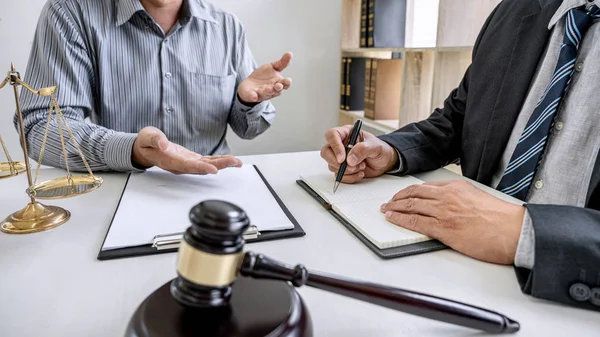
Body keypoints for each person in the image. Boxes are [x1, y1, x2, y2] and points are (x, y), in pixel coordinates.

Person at [321, 0, 600, 312]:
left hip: (571, 300)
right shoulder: (514, 11)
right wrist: (390, 151)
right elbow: (457, 120)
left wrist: (526, 232)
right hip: (458, 268)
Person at [17, 0, 293, 175]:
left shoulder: (227, 26)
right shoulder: (69, 13)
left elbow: (249, 128)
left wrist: (248, 102)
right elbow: (41, 127)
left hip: (213, 184)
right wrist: (131, 150)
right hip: (120, 186)